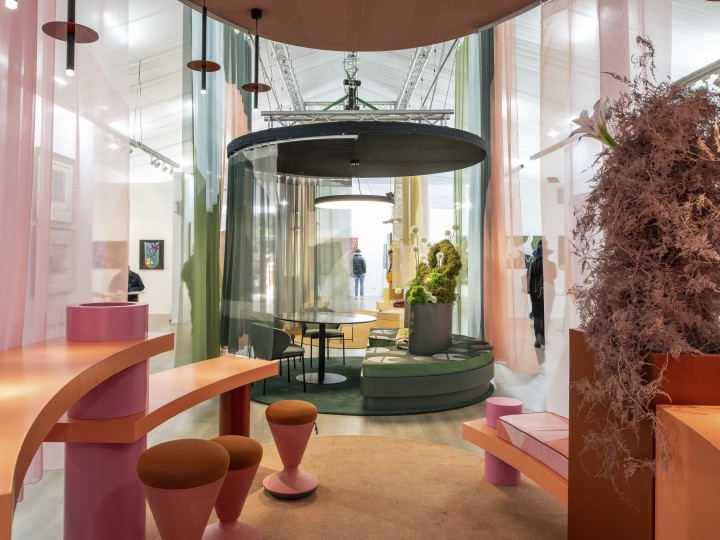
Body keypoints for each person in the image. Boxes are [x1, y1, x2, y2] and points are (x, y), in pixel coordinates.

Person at [527, 241, 544, 348]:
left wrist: (528, 290)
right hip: (547, 293)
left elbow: (528, 278)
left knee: (537, 315)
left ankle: (538, 335)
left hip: (534, 293)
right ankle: (544, 337)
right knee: (545, 315)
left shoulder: (532, 265)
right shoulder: (549, 264)